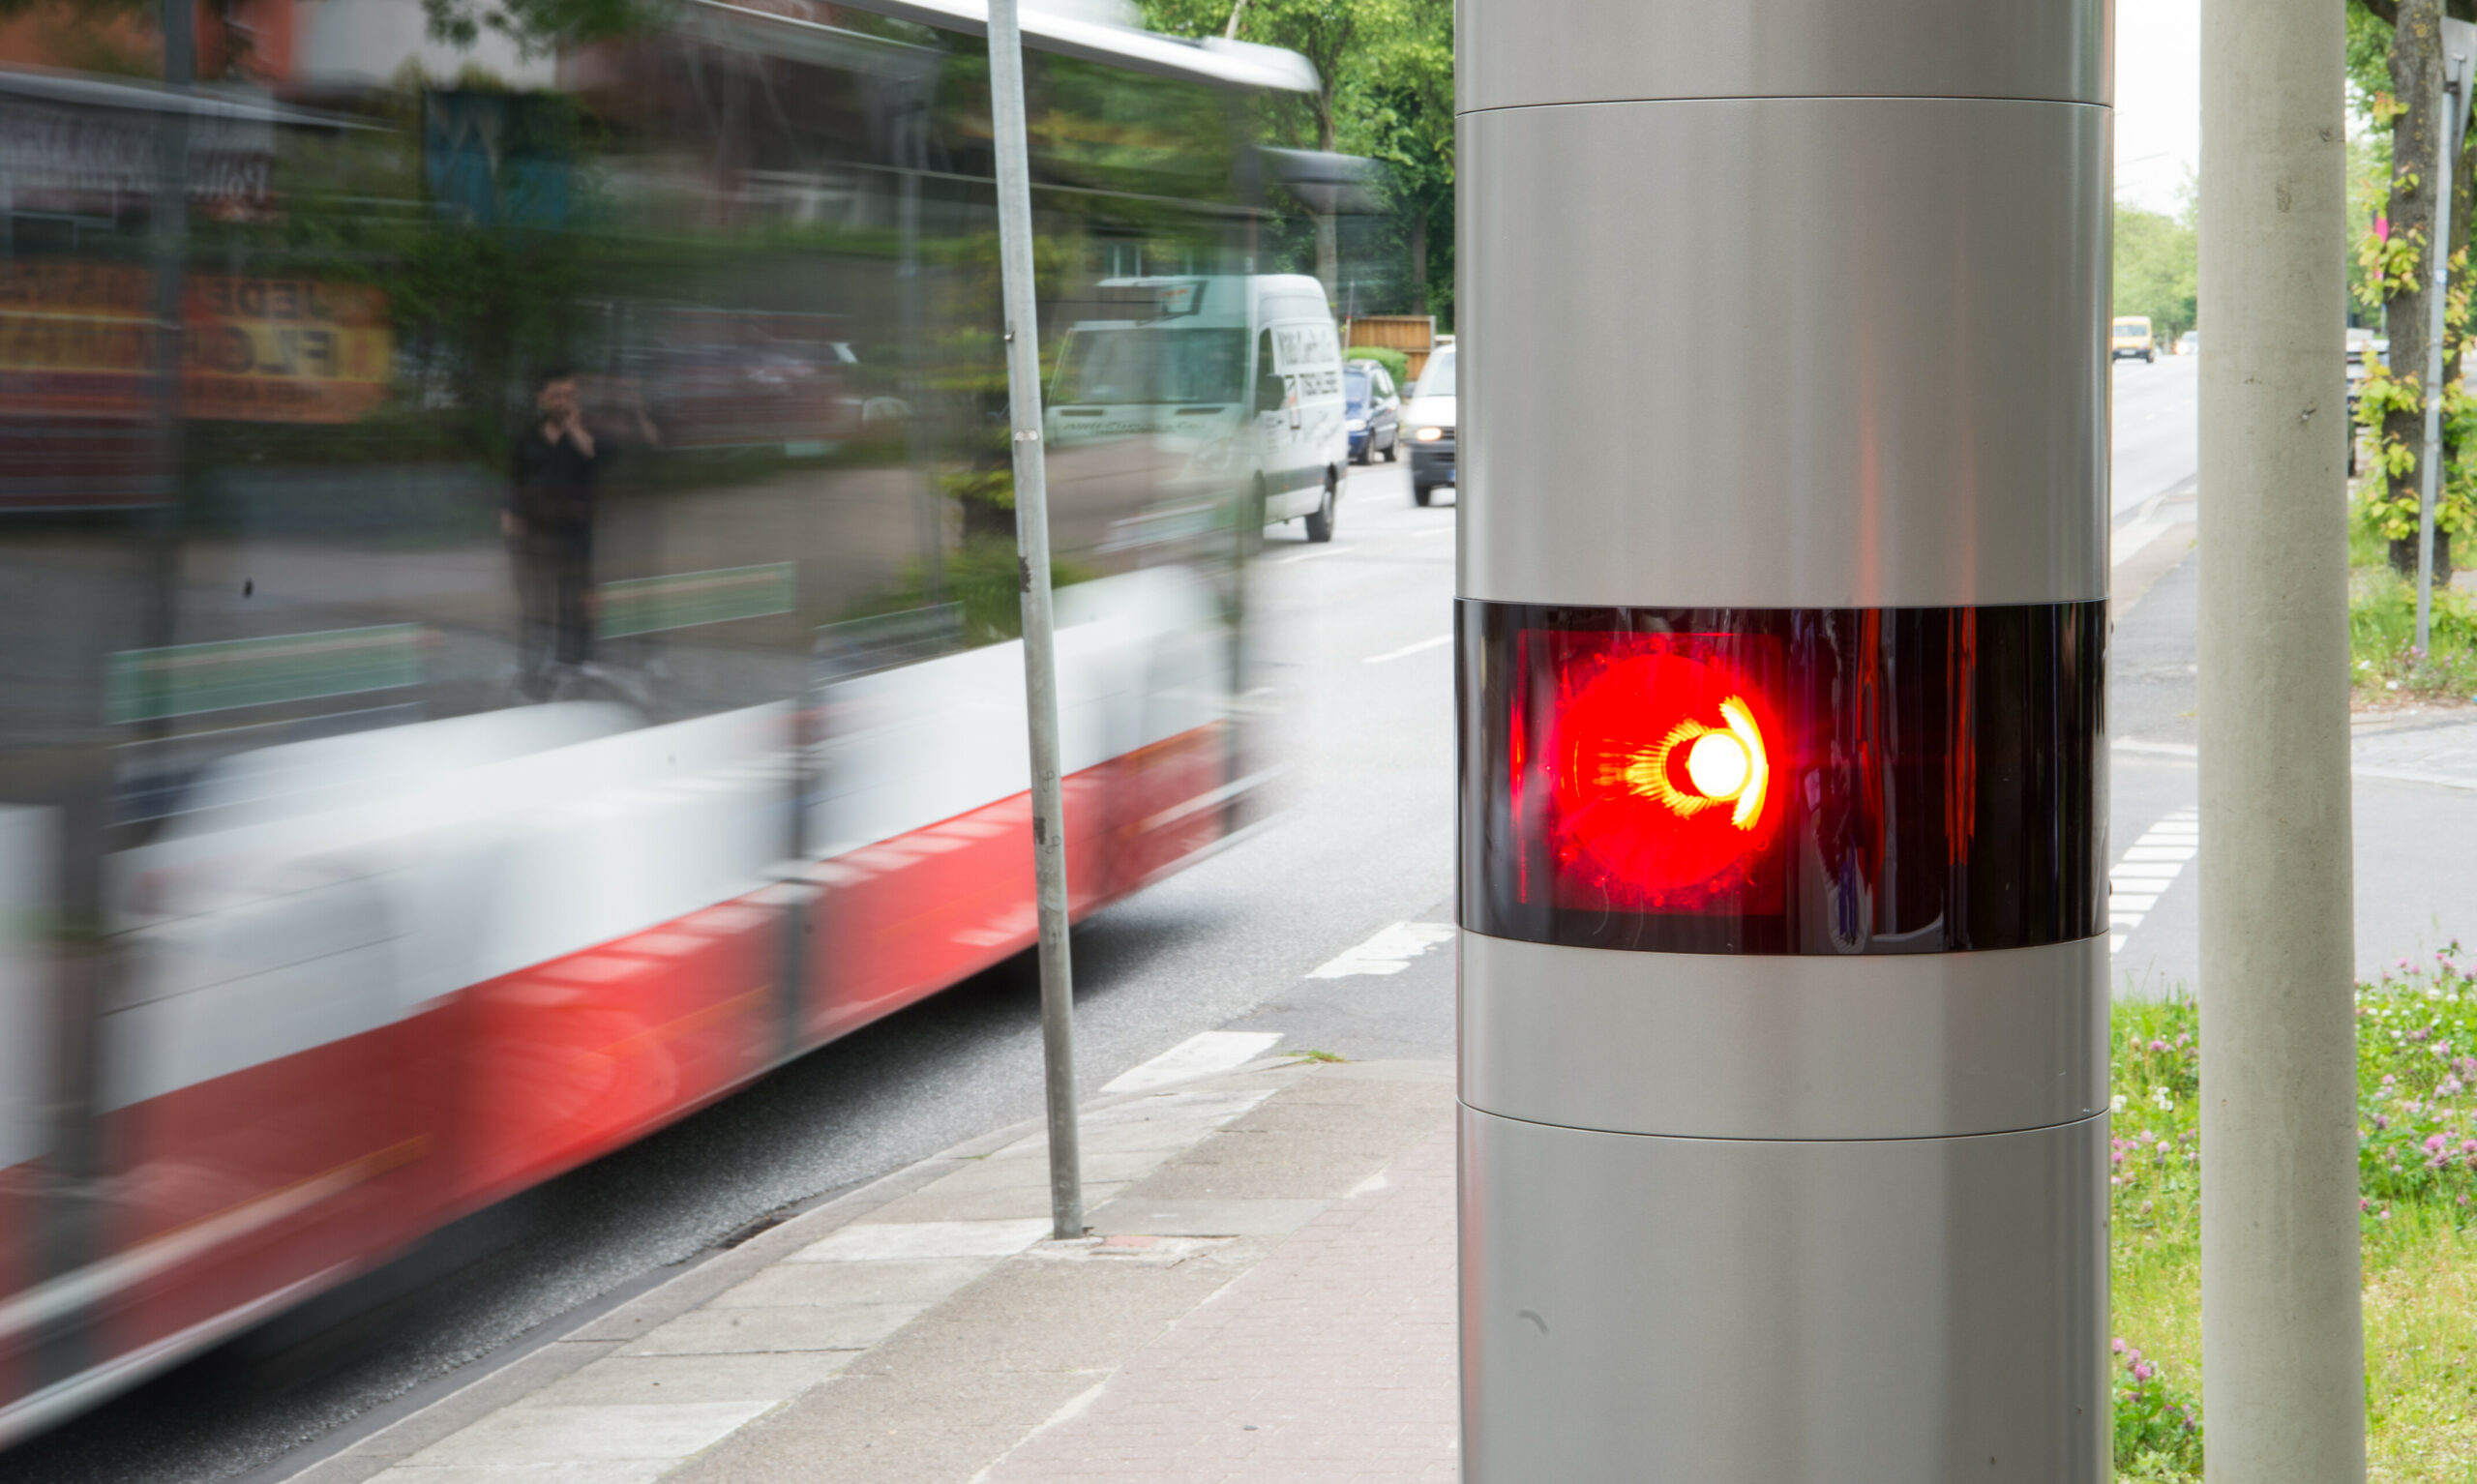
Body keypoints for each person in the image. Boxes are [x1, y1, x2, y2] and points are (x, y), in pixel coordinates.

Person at [505, 370, 601, 698]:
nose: (563, 402)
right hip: (535, 538)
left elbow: (595, 464)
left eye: (569, 396)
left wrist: (574, 429)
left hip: (574, 537)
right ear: (541, 399)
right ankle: (532, 670)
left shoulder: (584, 438)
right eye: (556, 396)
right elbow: (513, 482)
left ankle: (570, 668)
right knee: (536, 607)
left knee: (573, 604)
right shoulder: (526, 439)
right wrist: (509, 517)